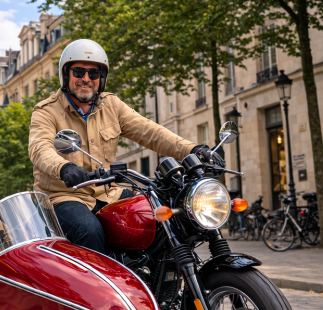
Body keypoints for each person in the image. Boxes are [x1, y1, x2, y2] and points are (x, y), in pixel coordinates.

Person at [28, 39, 218, 255]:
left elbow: (151, 132)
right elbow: (39, 148)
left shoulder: (112, 105)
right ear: (66, 75)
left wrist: (193, 150)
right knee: (89, 231)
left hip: (110, 192)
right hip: (64, 196)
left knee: (165, 217)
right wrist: (64, 168)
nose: (86, 79)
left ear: (102, 78)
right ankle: (97, 289)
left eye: (94, 74)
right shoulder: (46, 111)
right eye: (78, 72)